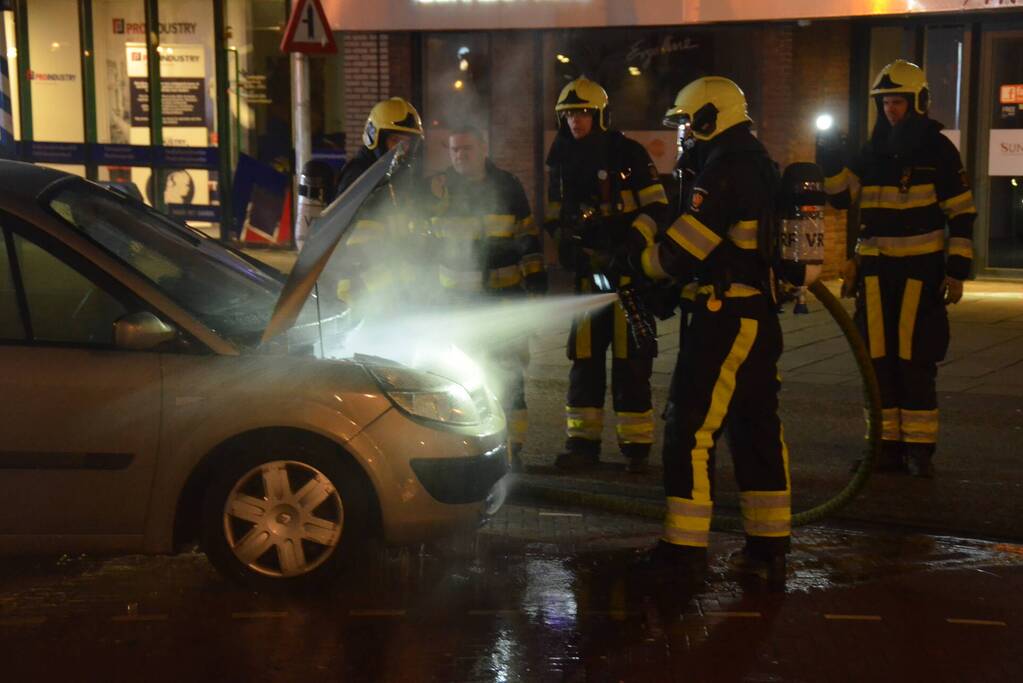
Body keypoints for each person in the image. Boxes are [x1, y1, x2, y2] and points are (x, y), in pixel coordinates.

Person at [630, 76, 793, 585]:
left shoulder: (725, 169)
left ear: (709, 117)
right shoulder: (751, 160)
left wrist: (638, 266)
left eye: (687, 123)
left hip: (725, 319)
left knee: (690, 426)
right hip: (751, 316)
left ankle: (683, 547)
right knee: (754, 428)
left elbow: (683, 250)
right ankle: (768, 544)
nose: (684, 134)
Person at [817, 60, 976, 478]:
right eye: (885, 103)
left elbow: (961, 213)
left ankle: (919, 450)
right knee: (877, 361)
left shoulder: (938, 150)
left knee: (914, 360)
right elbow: (839, 198)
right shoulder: (871, 151)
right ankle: (884, 448)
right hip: (875, 274)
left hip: (919, 275)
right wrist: (829, 155)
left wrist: (956, 269)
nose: (891, 110)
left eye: (898, 103)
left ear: (917, 103)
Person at [544, 76, 669, 474]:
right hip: (587, 278)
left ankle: (636, 449)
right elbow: (553, 213)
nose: (575, 123)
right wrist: (564, 241)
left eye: (582, 114)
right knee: (585, 361)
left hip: (630, 279)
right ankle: (582, 445)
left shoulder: (628, 153)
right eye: (568, 115)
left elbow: (658, 207)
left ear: (599, 115)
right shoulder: (560, 158)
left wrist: (631, 244)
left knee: (633, 362)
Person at [428, 125, 547, 469]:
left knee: (509, 375)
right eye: (454, 150)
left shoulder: (508, 186)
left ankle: (514, 448)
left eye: (466, 148)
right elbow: (423, 241)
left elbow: (527, 236)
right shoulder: (440, 190)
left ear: (483, 148)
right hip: (457, 305)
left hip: (503, 298)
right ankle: (464, 446)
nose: (459, 155)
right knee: (459, 376)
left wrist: (536, 282)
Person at [329, 97, 428, 312]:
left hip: (388, 294)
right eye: (395, 141)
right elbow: (349, 244)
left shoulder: (395, 176)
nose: (402, 149)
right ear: (376, 138)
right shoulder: (360, 177)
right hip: (360, 295)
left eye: (408, 143)